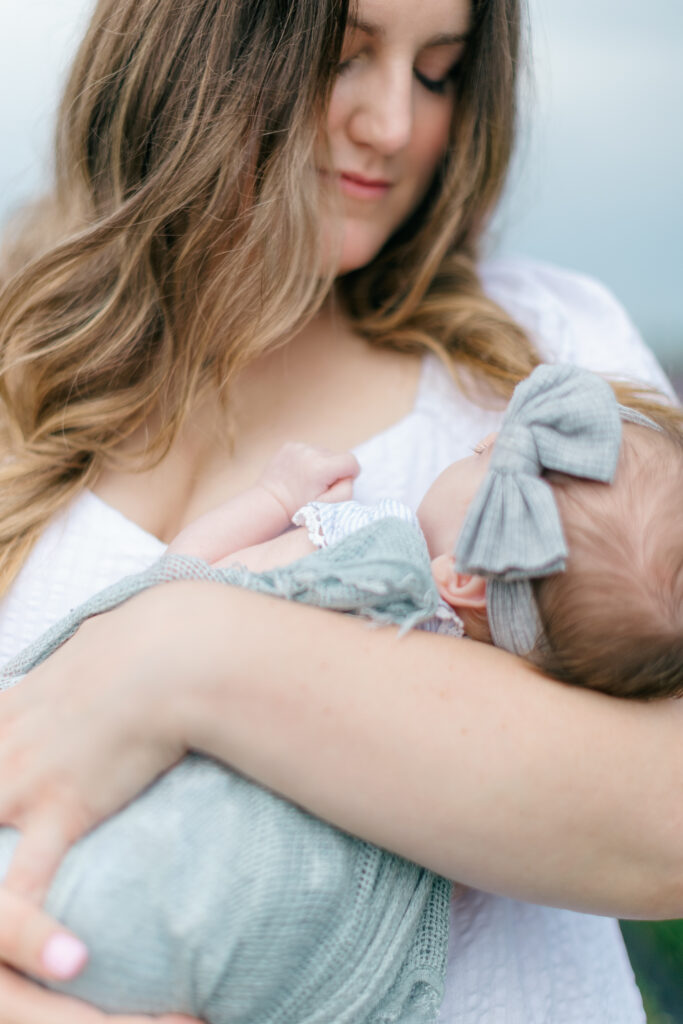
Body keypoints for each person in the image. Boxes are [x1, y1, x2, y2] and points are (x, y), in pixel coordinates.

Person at [0, 0, 681, 1022]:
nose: (394, 125)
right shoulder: (19, 391)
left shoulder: (544, 363)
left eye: (438, 73)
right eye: (345, 55)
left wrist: (182, 651)